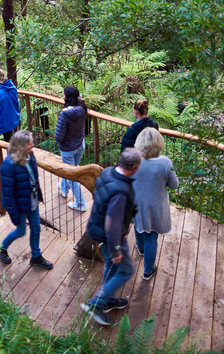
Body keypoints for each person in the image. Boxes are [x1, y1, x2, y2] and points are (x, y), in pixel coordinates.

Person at [80, 148, 142, 326]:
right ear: (135, 167)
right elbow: (112, 224)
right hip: (110, 237)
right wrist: (116, 249)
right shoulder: (121, 191)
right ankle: (96, 304)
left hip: (96, 228)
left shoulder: (108, 172)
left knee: (111, 266)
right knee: (126, 271)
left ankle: (107, 299)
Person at [0, 130, 53, 269]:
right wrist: (14, 215)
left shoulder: (30, 155)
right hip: (20, 206)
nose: (33, 145)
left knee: (36, 228)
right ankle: (1, 247)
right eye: (30, 143)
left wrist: (38, 195)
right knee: (20, 231)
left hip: (32, 201)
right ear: (21, 146)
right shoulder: (9, 165)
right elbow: (8, 195)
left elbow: (34, 178)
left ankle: (36, 256)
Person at [133, 127, 179, 281]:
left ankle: (140, 249)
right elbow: (174, 185)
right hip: (155, 207)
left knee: (138, 226)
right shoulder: (165, 162)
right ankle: (148, 271)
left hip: (135, 203)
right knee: (151, 236)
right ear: (159, 144)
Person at [54, 86, 88, 211]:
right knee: (70, 169)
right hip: (80, 144)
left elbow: (58, 136)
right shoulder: (82, 109)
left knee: (71, 175)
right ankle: (64, 188)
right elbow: (82, 102)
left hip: (68, 148)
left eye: (63, 94)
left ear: (66, 97)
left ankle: (80, 203)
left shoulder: (65, 114)